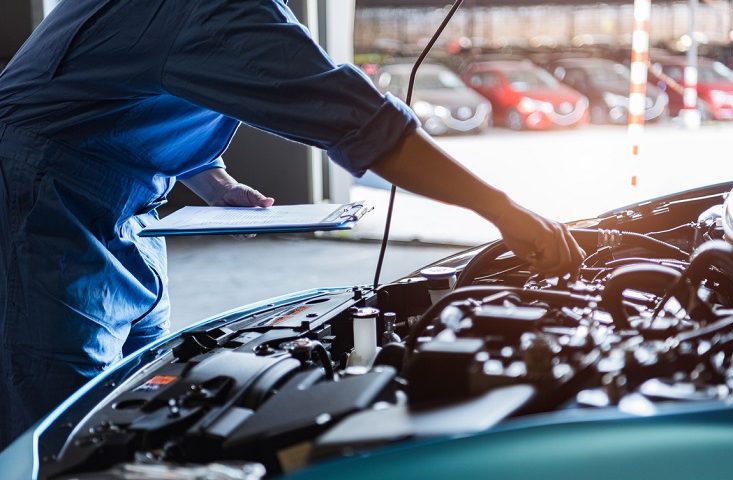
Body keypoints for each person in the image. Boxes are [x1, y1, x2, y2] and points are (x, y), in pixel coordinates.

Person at [0, 0, 583, 449]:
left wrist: (212, 178)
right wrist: (503, 210)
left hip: (116, 202)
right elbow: (362, 124)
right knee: (66, 417)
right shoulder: (215, 9)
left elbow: (127, 89)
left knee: (141, 389)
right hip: (42, 201)